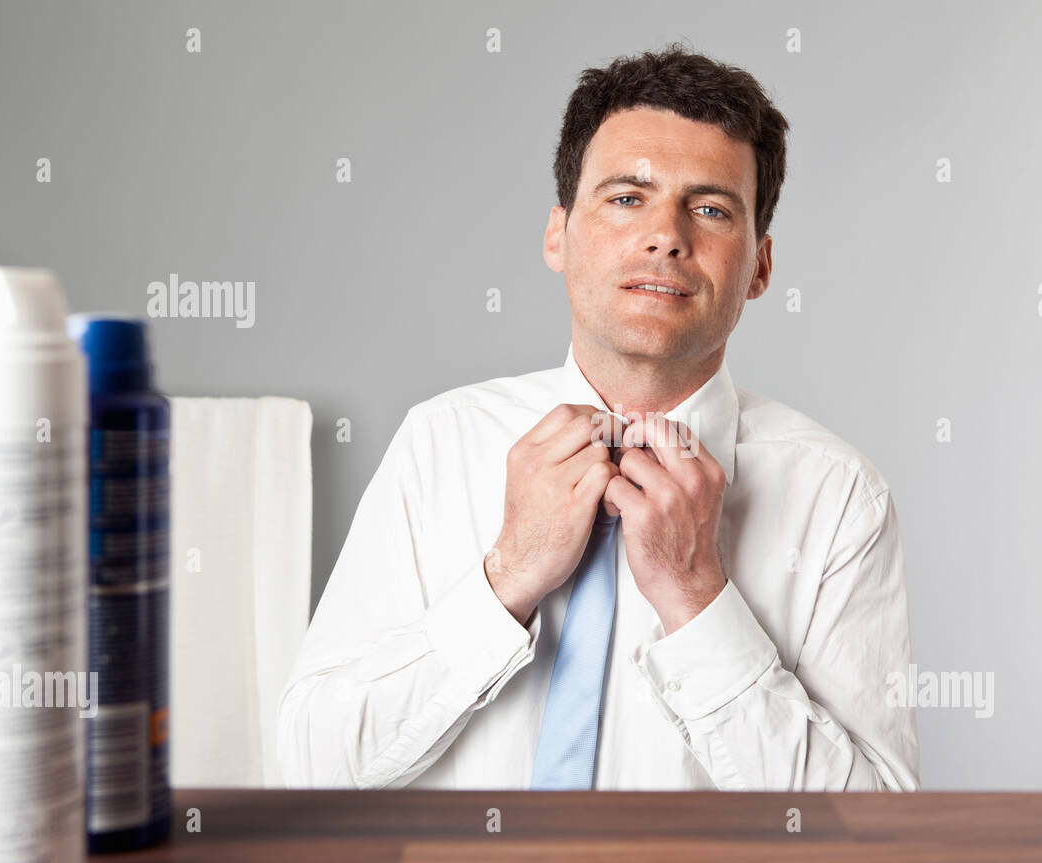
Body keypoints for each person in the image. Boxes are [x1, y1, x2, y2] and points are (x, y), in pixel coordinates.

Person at [277, 43, 920, 791]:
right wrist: (508, 576)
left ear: (760, 268)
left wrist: (695, 596)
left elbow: (874, 834)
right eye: (626, 197)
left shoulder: (839, 496)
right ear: (559, 234)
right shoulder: (440, 442)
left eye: (710, 209)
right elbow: (312, 769)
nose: (667, 236)